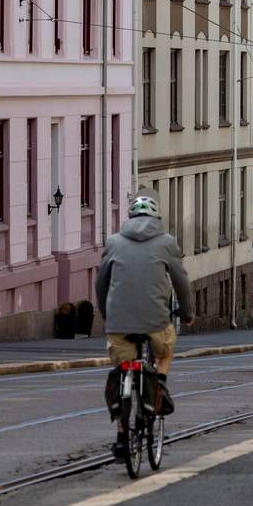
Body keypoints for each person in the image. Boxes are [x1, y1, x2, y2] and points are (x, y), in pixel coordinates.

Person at [95, 194, 194, 460]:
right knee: (164, 351)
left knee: (121, 369)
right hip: (156, 320)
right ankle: (158, 386)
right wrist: (186, 313)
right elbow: (181, 281)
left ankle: (120, 437)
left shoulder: (114, 242)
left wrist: (107, 314)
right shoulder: (167, 242)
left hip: (119, 321)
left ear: (130, 218)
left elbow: (101, 283)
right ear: (156, 218)